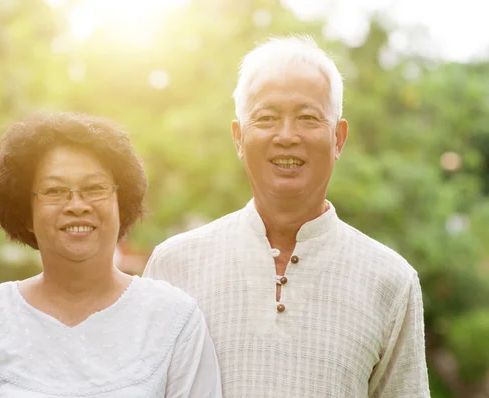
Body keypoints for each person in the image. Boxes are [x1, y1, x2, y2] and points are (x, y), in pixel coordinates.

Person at [143, 35, 430, 397]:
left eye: (308, 117)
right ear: (238, 137)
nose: (286, 136)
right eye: (266, 118)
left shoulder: (390, 281)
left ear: (338, 139)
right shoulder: (174, 266)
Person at [0, 112, 223, 397]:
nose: (77, 205)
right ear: (26, 214)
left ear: (121, 204)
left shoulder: (174, 319)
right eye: (55, 191)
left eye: (94, 188)